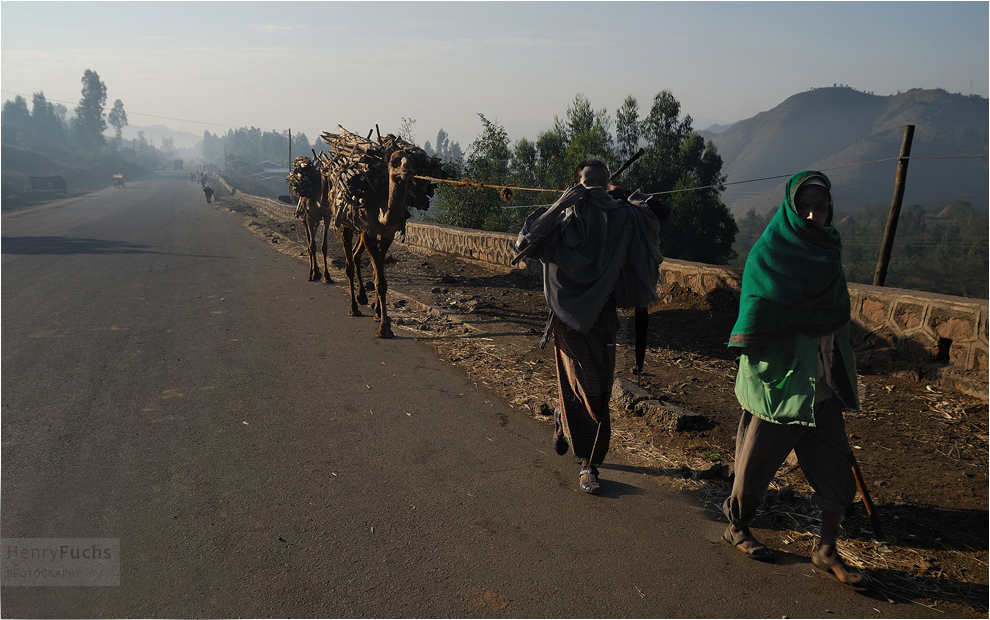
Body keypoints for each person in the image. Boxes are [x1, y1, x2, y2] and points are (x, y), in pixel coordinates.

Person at [721, 170, 868, 591]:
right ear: (788, 206)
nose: (811, 214)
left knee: (836, 470)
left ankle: (826, 549)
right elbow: (754, 314)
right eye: (804, 206)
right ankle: (737, 527)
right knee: (755, 466)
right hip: (779, 383)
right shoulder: (769, 253)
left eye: (820, 208)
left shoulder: (829, 251)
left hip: (820, 382)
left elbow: (837, 316)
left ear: (829, 211)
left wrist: (839, 371)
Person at [515, 159, 669, 494]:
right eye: (588, 182)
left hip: (604, 319)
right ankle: (589, 465)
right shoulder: (561, 220)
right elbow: (524, 242)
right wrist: (562, 203)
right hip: (568, 320)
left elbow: (658, 213)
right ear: (576, 184)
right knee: (588, 391)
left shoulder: (620, 218)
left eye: (601, 182)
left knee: (598, 393)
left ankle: (562, 420)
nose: (595, 188)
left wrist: (635, 201)